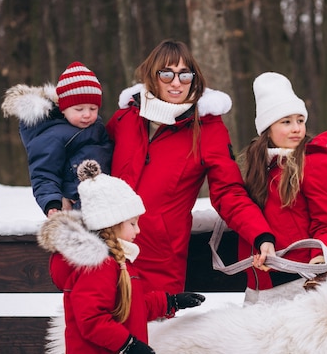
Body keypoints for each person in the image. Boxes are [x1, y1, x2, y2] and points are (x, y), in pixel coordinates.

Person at [106, 39, 276, 294]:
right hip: (108, 251)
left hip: (159, 260)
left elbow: (229, 192)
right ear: (152, 75)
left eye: (184, 75)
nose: (176, 83)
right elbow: (87, 165)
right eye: (167, 74)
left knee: (156, 333)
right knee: (101, 328)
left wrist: (261, 234)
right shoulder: (125, 119)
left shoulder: (207, 129)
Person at [38, 159, 205, 354]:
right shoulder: (98, 265)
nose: (138, 230)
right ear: (112, 224)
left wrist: (169, 301)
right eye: (133, 223)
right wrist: (130, 346)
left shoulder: (118, 262)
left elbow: (128, 307)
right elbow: (92, 319)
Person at [238, 72, 327, 303]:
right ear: (267, 129)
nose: (296, 128)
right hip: (261, 284)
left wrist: (321, 263)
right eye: (286, 122)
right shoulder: (263, 165)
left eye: (300, 120)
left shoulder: (316, 161)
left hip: (299, 283)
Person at [2, 62, 113, 216]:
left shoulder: (97, 127)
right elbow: (43, 173)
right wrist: (52, 202)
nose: (87, 114)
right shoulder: (51, 135)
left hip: (103, 202)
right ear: (63, 108)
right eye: (79, 109)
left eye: (93, 108)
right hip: (74, 204)